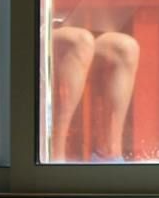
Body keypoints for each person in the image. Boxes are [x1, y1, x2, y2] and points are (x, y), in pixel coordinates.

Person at [50, 26, 140, 161]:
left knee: (126, 47)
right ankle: (55, 154)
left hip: (76, 26)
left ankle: (108, 154)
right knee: (80, 42)